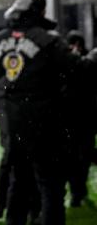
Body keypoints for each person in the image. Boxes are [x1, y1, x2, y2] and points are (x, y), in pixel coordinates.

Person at [0, 0, 96, 225]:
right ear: (40, 11)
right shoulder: (48, 41)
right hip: (46, 131)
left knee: (18, 185)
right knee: (51, 189)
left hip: (13, 133)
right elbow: (81, 70)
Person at [63, 30, 95, 207]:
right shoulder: (65, 61)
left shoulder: (85, 63)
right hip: (71, 118)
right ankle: (76, 190)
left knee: (82, 157)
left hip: (83, 117)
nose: (76, 47)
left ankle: (78, 191)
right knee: (73, 157)